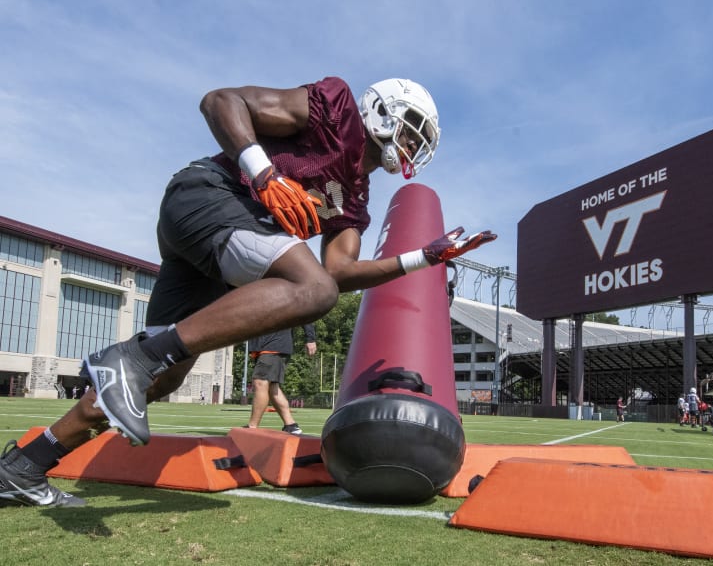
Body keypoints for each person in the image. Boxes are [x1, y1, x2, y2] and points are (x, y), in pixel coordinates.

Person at [0, 76, 496, 507]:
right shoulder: (337, 110)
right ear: (382, 111)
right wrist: (264, 171)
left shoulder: (357, 196)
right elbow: (221, 101)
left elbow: (339, 273)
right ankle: (136, 357)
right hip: (209, 195)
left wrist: (424, 258)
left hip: (220, 245)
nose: (412, 143)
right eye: (410, 128)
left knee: (164, 378)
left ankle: (24, 465)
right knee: (305, 290)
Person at [245, 324, 316, 435]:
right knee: (272, 388)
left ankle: (252, 427)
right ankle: (291, 425)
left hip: (274, 344)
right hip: (263, 346)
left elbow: (306, 313)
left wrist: (310, 339)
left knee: (260, 382)